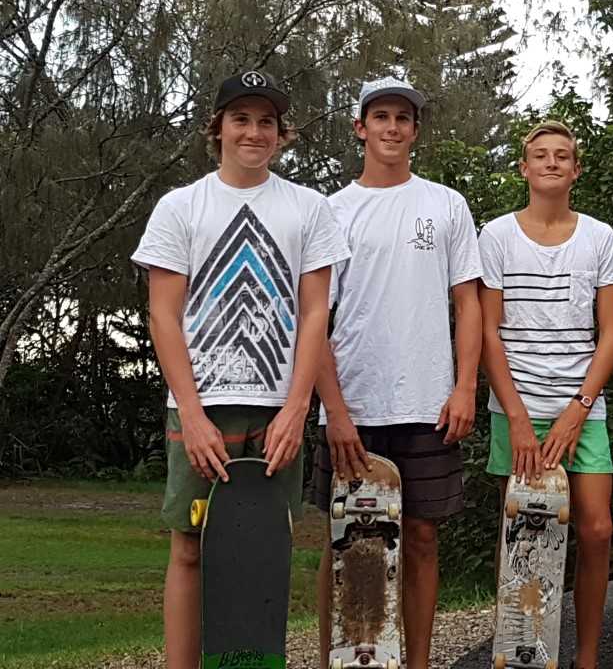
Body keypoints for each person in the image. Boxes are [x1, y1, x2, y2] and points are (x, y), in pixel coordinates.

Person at [132, 70, 347, 669]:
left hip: (278, 407)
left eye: (266, 122)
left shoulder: (309, 209)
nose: (254, 132)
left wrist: (297, 409)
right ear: (218, 128)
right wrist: (193, 414)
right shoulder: (180, 207)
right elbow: (164, 316)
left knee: (264, 552)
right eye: (241, 119)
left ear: (282, 133)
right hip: (201, 407)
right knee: (189, 548)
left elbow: (314, 314)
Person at [312, 77, 483, 669]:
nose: (391, 127)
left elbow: (469, 303)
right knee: (343, 543)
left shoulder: (446, 204)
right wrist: (334, 410)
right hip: (352, 403)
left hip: (429, 402)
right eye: (380, 116)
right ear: (360, 128)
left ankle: (419, 662)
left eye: (402, 118)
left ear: (415, 130)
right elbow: (314, 318)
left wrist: (465, 387)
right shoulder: (331, 211)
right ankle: (337, 659)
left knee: (422, 538)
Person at [479, 120, 613, 669]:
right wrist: (518, 418)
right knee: (524, 535)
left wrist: (578, 408)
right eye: (540, 155)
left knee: (597, 529)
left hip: (581, 409)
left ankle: (586, 658)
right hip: (516, 406)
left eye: (561, 155)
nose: (551, 162)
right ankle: (521, 652)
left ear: (576, 170)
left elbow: (612, 333)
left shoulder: (600, 238)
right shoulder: (496, 236)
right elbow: (487, 332)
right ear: (524, 168)